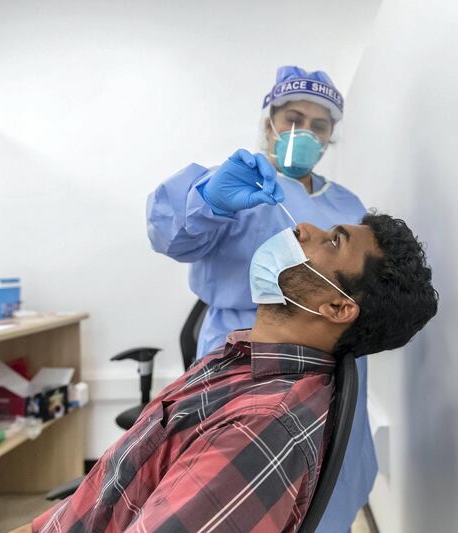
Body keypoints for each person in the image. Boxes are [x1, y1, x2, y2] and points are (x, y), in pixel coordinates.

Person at [15, 213, 438, 533]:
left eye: (332, 242)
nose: (304, 227)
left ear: (338, 308)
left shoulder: (262, 426)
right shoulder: (242, 359)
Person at [146, 66, 378, 530]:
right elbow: (171, 235)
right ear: (269, 121)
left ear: (332, 136)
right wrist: (209, 198)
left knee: (327, 476)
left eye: (319, 125)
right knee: (232, 487)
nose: (304, 133)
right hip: (245, 353)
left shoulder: (349, 206)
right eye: (293, 118)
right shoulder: (237, 186)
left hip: (327, 357)